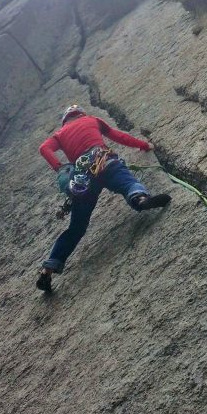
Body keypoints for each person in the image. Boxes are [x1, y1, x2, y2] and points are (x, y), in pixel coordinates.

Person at [36, 104, 170, 291]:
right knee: (126, 183)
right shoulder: (92, 120)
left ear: (65, 120)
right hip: (103, 160)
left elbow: (44, 148)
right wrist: (144, 145)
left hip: (81, 177)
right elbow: (119, 136)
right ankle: (140, 199)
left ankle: (47, 270)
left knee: (76, 227)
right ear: (81, 114)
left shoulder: (60, 134)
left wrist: (59, 167)